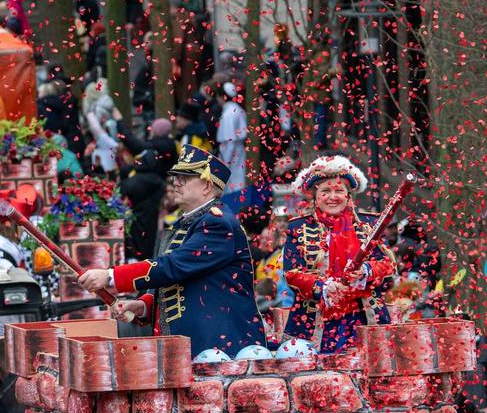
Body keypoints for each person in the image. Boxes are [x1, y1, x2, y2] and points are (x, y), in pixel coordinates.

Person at [77, 146, 265, 358]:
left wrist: (111, 276)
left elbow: (173, 266)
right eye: (176, 176)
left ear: (207, 185)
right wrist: (143, 306)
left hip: (220, 347)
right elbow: (181, 281)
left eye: (185, 177)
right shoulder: (191, 222)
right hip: (194, 347)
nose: (176, 182)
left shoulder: (217, 222)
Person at [283, 156, 395, 353]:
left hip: (364, 317)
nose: (332, 196)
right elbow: (292, 273)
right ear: (315, 197)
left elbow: (387, 266)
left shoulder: (370, 225)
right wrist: (324, 287)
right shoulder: (298, 227)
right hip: (315, 320)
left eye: (339, 190)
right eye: (325, 191)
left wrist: (366, 272)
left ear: (348, 196)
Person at [215, 82, 247, 194]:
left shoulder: (229, 113)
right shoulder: (237, 109)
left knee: (234, 182)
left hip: (231, 153)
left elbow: (229, 140)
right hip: (237, 151)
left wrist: (225, 162)